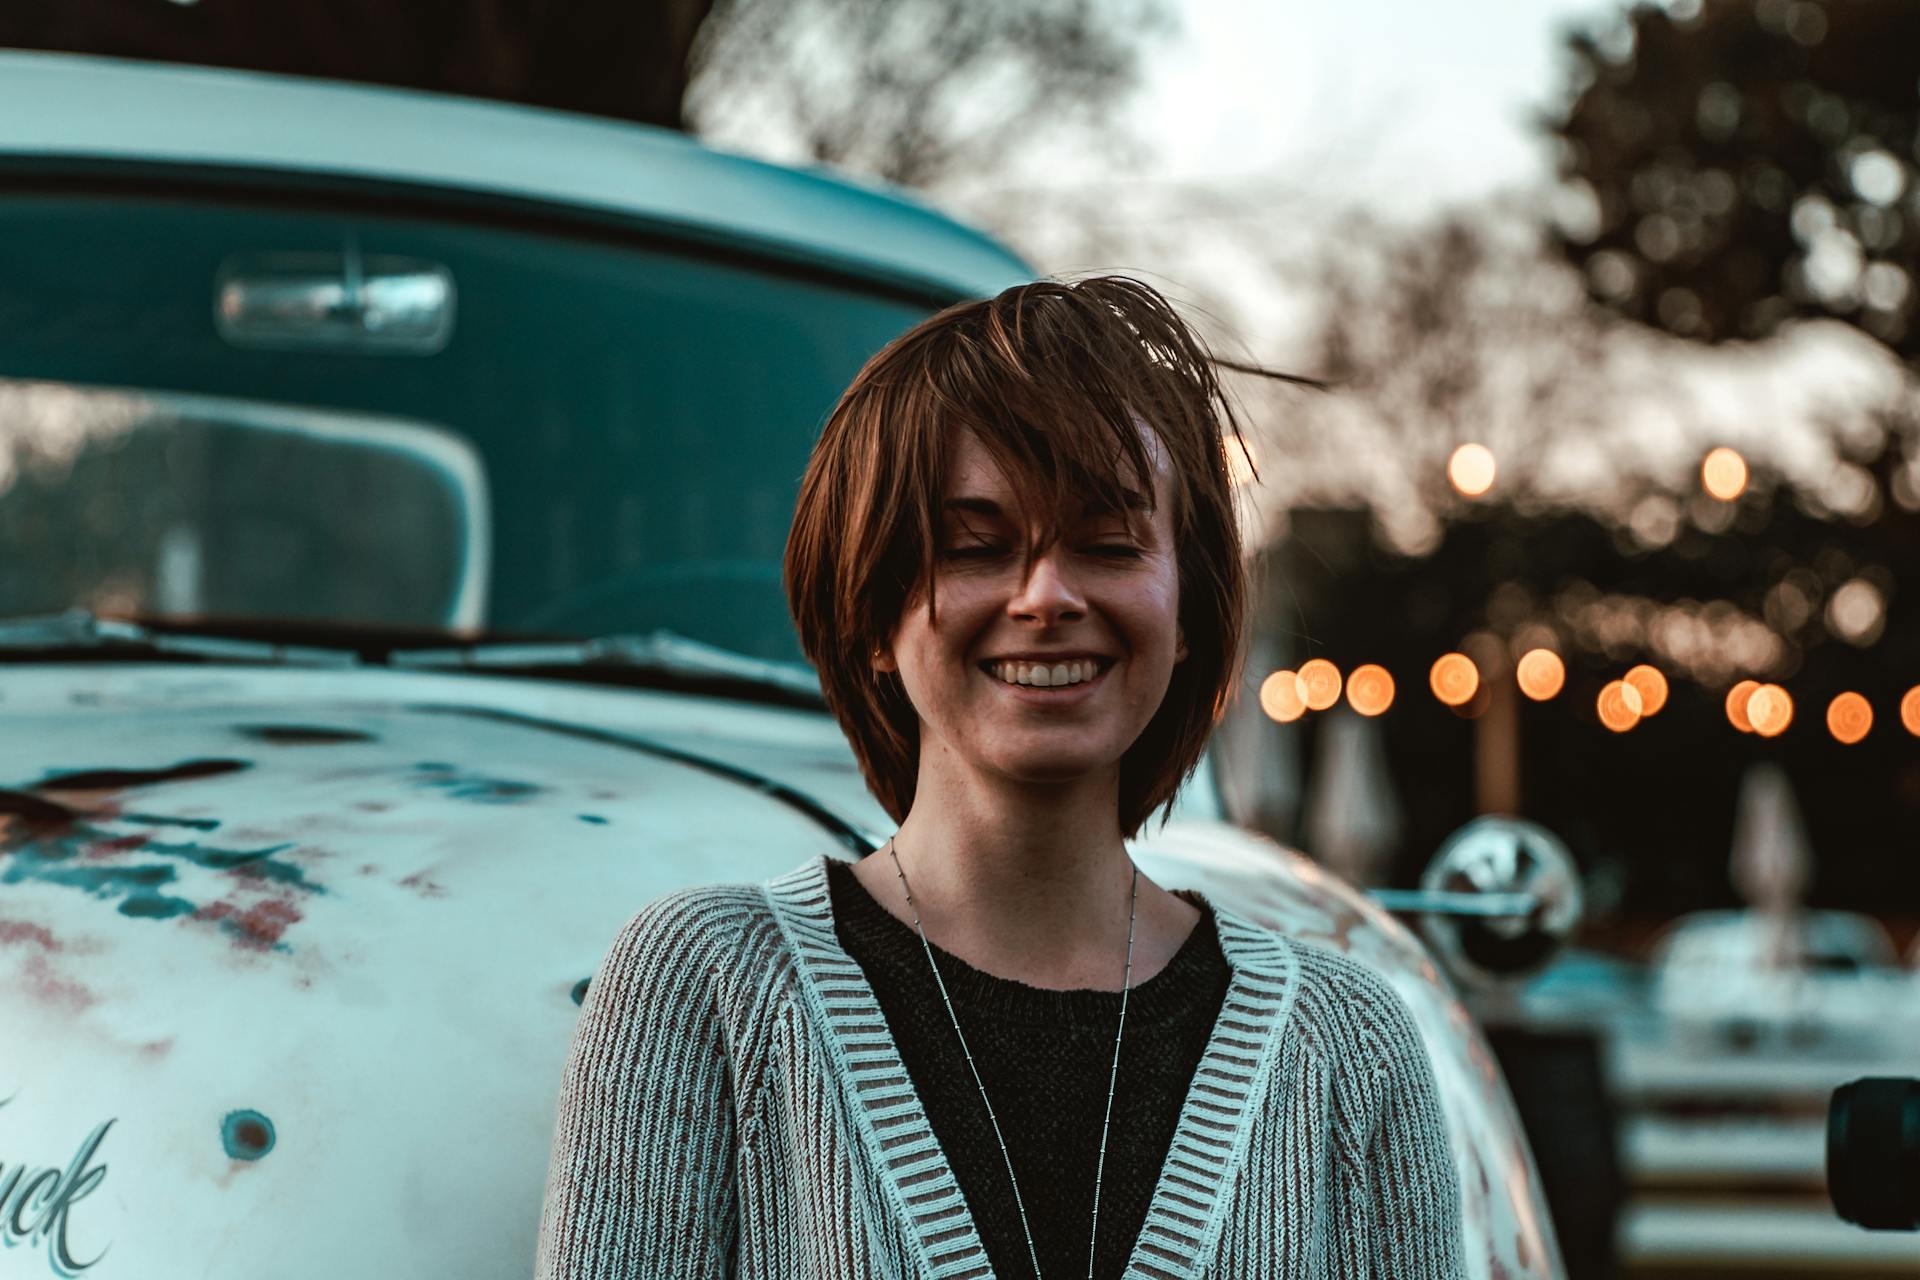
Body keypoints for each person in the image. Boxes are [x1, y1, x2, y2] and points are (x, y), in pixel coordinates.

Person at [534, 276, 1466, 1278]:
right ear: (872, 615)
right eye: (976, 547)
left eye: (1108, 544)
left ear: (1189, 611)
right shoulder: (706, 989)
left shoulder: (1349, 1045)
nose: (1047, 595)